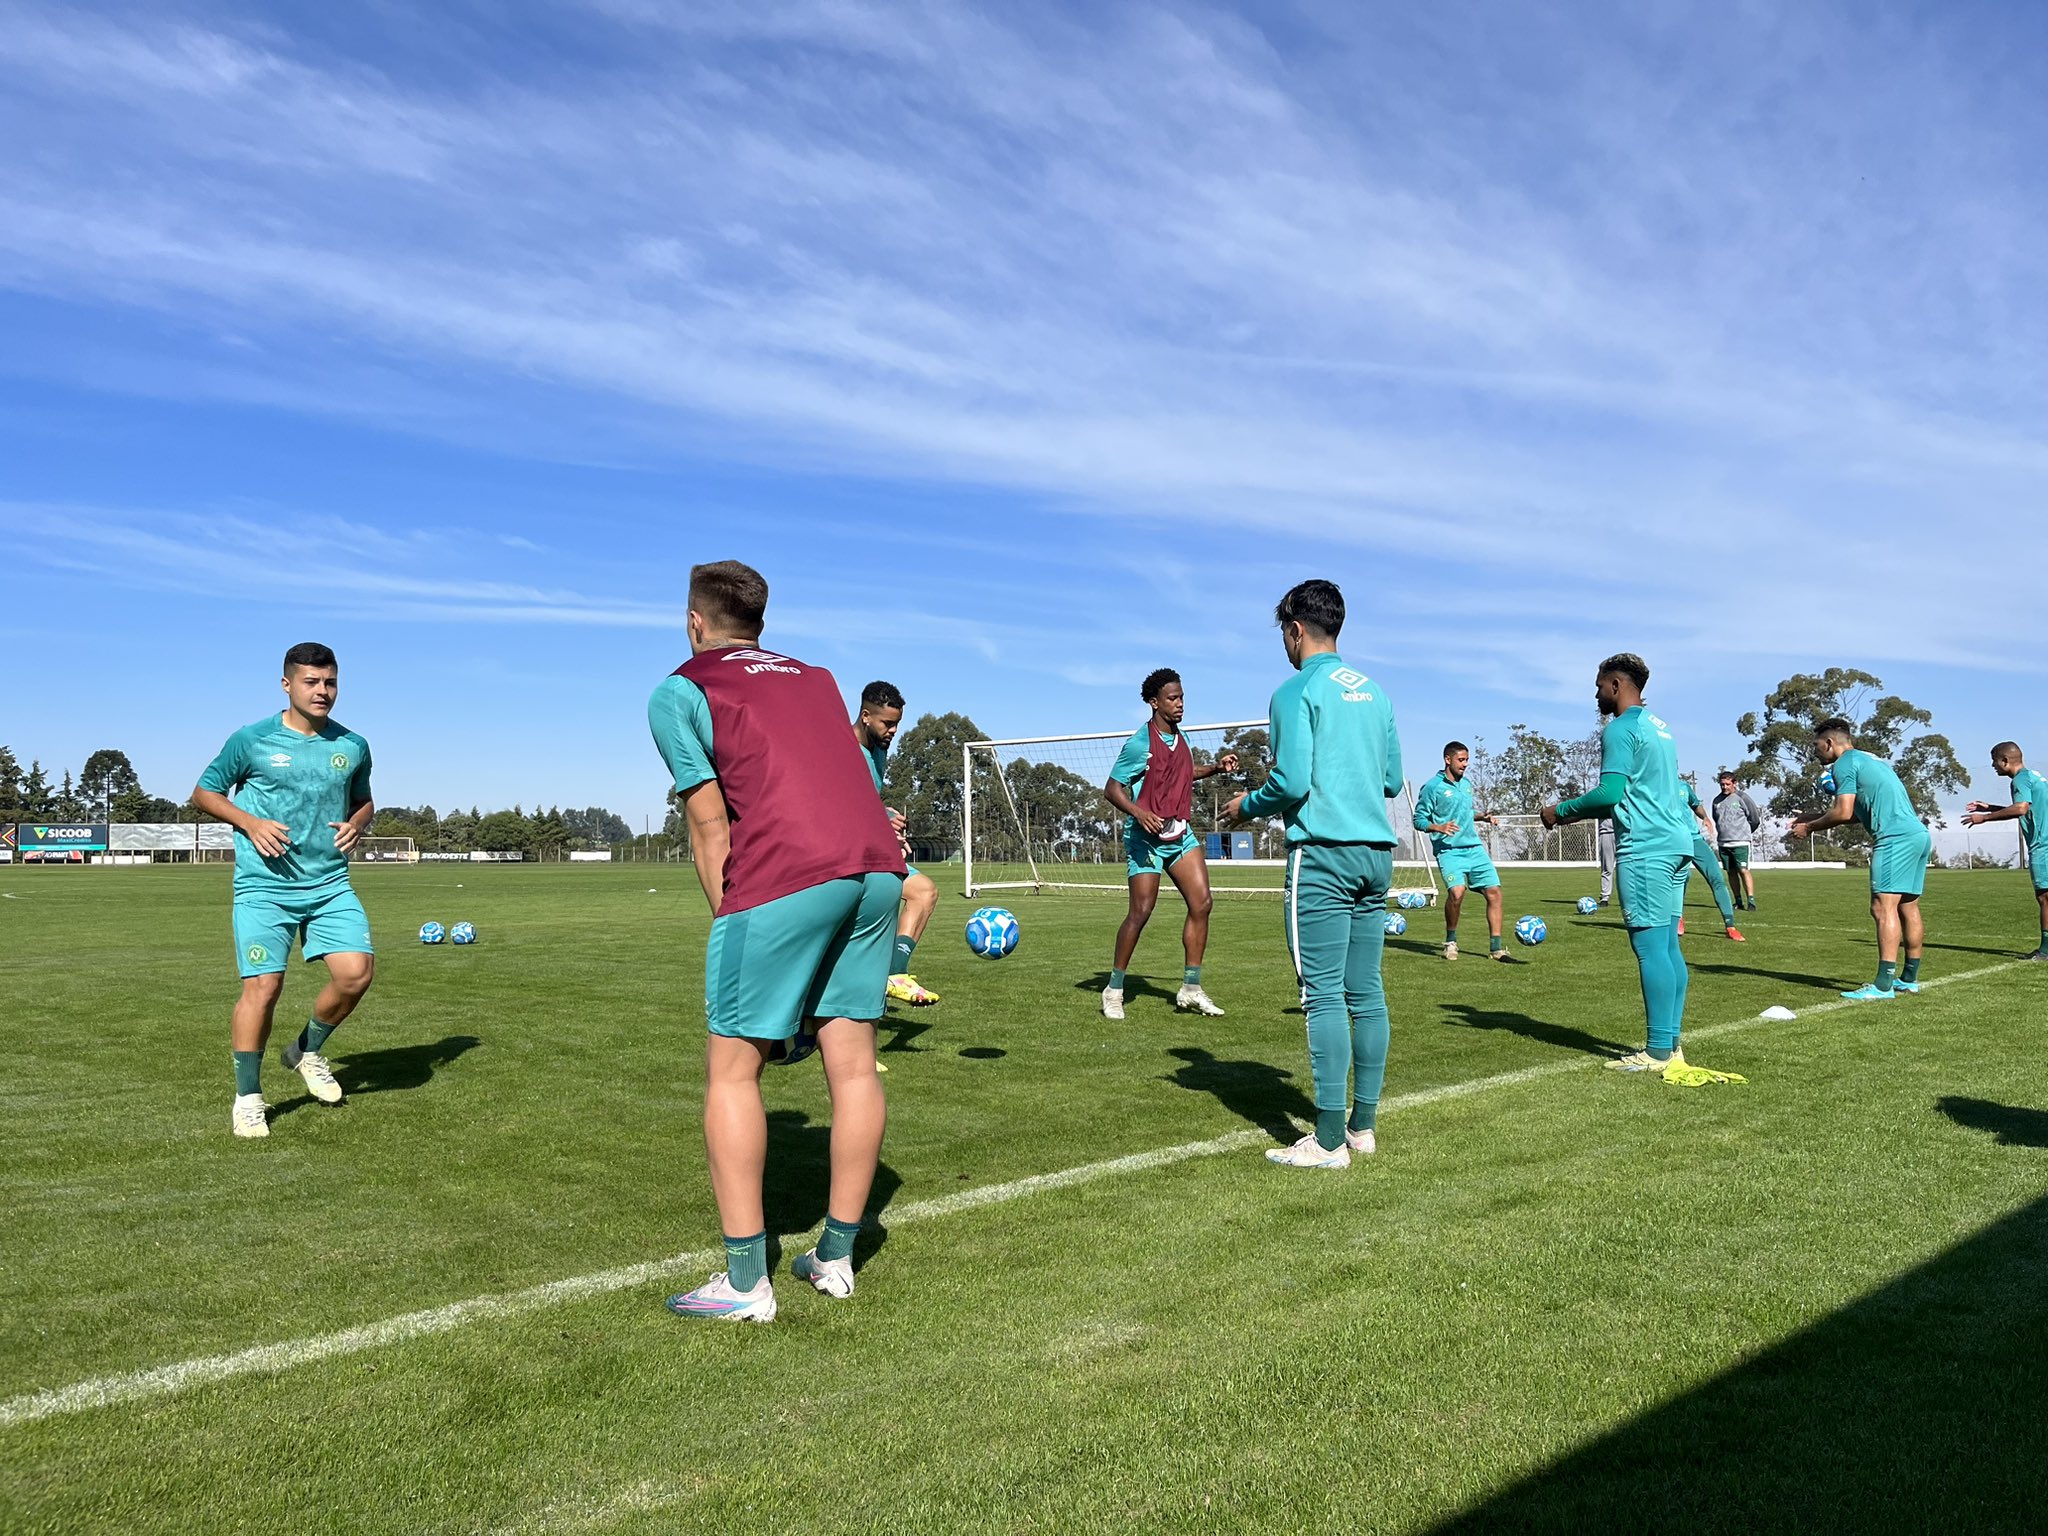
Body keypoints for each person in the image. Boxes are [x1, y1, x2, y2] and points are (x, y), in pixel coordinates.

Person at [649, 561, 906, 1322]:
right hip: (877, 873)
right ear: (759, 621)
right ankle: (834, 1257)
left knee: (733, 1071)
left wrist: (732, 920)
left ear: (694, 619)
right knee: (853, 1066)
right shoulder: (819, 678)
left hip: (787, 876)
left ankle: (741, 1282)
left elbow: (708, 826)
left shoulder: (681, 686)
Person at [1223, 580, 1402, 1168]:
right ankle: (1363, 1126)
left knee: (1321, 993)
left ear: (1295, 630)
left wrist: (1245, 805)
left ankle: (1327, 1142)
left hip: (1322, 854)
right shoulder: (1375, 691)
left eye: (1283, 633)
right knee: (1366, 991)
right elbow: (1392, 781)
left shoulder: (1294, 690)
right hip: (1377, 854)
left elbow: (1292, 783)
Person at [190, 642, 376, 1139]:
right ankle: (248, 1097)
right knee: (263, 988)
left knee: (356, 975)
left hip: (329, 882)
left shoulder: (353, 745)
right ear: (287, 684)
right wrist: (249, 823)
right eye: (312, 682)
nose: (322, 692)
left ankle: (305, 1051)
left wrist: (358, 824)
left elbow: (364, 801)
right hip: (264, 886)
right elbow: (205, 792)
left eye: (330, 682)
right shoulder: (250, 740)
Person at [1541, 654, 1694, 1071]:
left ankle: (1658, 1051)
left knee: (1650, 949)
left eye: (1598, 685)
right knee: (1667, 946)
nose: (1595, 694)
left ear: (1615, 685)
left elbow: (1609, 794)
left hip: (1646, 848)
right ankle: (1672, 1043)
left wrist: (1560, 810)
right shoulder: (1660, 728)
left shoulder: (1621, 728)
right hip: (1677, 844)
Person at [1101, 669, 1237, 1019]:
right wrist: (1139, 812)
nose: (1180, 705)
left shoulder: (1182, 738)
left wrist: (1216, 768)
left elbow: (1184, 773)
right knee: (1141, 912)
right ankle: (1114, 989)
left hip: (1180, 835)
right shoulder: (1139, 744)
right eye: (1172, 699)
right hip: (1145, 840)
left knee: (1202, 903)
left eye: (1182, 698)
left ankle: (1191, 988)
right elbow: (1112, 789)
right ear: (1154, 702)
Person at [1790, 720, 1933, 1000]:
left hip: (1894, 839)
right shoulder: (1870, 759)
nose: (1815, 752)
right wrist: (1812, 817)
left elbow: (1842, 812)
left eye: (1817, 746)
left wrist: (1809, 828)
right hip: (1917, 834)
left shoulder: (1844, 763)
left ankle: (1882, 985)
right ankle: (1909, 979)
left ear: (1830, 743)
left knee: (1882, 908)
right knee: (1908, 906)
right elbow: (1857, 813)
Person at [853, 680, 941, 1008]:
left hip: (871, 852)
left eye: (897, 724)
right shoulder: (842, 749)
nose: (893, 731)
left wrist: (886, 817)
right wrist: (879, 822)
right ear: (865, 716)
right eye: (887, 724)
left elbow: (867, 800)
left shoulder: (878, 750)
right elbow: (831, 807)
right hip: (840, 860)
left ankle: (895, 974)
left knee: (925, 892)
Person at [1413, 741, 1513, 961]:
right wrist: (1437, 827)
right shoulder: (1432, 787)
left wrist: (1482, 817)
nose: (1465, 764)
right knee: (1457, 893)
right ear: (1447, 759)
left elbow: (1464, 812)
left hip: (1474, 848)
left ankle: (1496, 949)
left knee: (1495, 893)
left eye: (1467, 760)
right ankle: (1451, 942)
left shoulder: (1466, 784)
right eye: (1461, 760)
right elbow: (1418, 819)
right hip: (1449, 850)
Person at [1962, 742, 2048, 961]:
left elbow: (2021, 808)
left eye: (1994, 760)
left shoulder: (2019, 779)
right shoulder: (2032, 776)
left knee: (2045, 898)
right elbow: (2027, 807)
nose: (1993, 765)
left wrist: (1984, 818)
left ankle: (2046, 951)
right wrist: (1990, 807)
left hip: (2043, 845)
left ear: (2005, 761)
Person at [1681, 780, 1746, 941]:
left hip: (1695, 839)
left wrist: (1705, 817)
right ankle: (1678, 919)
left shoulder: (1683, 787)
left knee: (1716, 878)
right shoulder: (1655, 786)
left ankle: (1730, 926)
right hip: (1674, 840)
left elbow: (1695, 804)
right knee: (1683, 878)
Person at [1711, 770, 1763, 910]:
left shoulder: (1742, 798)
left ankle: (1751, 901)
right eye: (1722, 784)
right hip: (1723, 842)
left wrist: (1745, 833)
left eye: (1727, 784)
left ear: (1734, 783)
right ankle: (1738, 901)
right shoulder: (1716, 801)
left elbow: (1754, 819)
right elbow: (1716, 819)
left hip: (1740, 842)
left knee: (1743, 869)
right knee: (1731, 872)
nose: (1725, 787)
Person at [1596, 817, 1617, 906]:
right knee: (1607, 867)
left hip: (1624, 832)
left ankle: (1631, 897)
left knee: (1627, 867)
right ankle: (1605, 897)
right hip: (1606, 832)